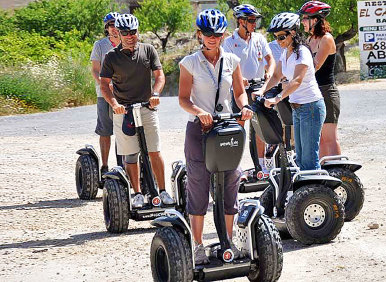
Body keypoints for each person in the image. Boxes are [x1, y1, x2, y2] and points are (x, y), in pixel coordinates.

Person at [178, 9, 253, 264]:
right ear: (200, 34)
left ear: (223, 35)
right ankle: (197, 245)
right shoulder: (189, 63)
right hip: (199, 129)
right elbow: (183, 99)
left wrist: (244, 107)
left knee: (231, 181)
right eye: (208, 33)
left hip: (226, 126)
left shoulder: (232, 60)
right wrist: (199, 112)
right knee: (198, 185)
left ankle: (227, 241)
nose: (212, 38)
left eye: (217, 34)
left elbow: (240, 93)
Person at [99, 14, 174, 208]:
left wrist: (156, 93)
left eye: (133, 32)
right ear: (119, 33)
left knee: (154, 151)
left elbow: (159, 76)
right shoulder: (111, 57)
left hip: (147, 107)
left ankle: (163, 191)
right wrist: (114, 104)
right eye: (125, 33)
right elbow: (104, 84)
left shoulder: (148, 50)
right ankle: (138, 193)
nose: (130, 36)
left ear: (137, 31)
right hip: (124, 111)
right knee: (131, 155)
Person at [255, 12, 326, 171]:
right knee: (300, 157)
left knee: (309, 159)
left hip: (311, 107)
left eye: (281, 37)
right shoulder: (286, 52)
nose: (278, 41)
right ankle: (307, 193)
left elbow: (296, 81)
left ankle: (317, 194)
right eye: (275, 37)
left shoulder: (302, 52)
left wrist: (277, 98)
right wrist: (262, 91)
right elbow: (276, 76)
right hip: (298, 109)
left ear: (293, 32)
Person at [223, 4, 275, 173]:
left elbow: (270, 60)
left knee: (260, 127)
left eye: (255, 20)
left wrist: (270, 73)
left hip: (259, 87)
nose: (254, 24)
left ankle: (262, 167)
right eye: (251, 20)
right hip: (240, 90)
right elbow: (226, 67)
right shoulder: (229, 42)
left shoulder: (259, 38)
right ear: (240, 21)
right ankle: (235, 168)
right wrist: (238, 79)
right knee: (239, 128)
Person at [299, 1, 341, 157]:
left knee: (330, 138)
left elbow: (314, 66)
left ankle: (338, 173)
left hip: (327, 92)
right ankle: (324, 173)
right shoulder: (310, 40)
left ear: (315, 20)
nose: (302, 22)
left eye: (305, 18)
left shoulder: (326, 39)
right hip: (314, 92)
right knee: (321, 139)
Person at [90, 12, 121, 175]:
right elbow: (95, 70)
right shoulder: (100, 45)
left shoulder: (127, 43)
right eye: (111, 25)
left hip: (124, 95)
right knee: (105, 131)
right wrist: (105, 84)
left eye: (116, 24)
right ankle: (104, 165)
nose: (114, 28)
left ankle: (122, 166)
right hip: (105, 94)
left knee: (123, 132)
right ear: (106, 28)